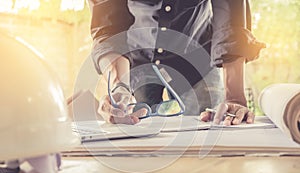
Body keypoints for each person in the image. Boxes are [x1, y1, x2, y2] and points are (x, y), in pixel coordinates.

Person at [88, 0, 265, 125]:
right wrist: (119, 88)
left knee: (214, 127)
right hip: (139, 60)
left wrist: (234, 96)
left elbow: (229, 20)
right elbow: (109, 27)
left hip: (196, 60)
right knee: (136, 128)